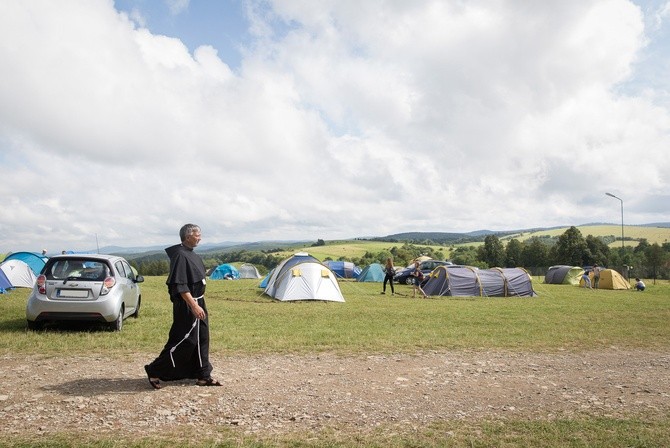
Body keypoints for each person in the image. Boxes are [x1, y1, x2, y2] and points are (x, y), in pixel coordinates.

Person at [144, 224, 221, 389]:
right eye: (197, 234)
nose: (200, 237)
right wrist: (194, 305)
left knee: (202, 339)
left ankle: (203, 375)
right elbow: (180, 285)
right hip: (188, 304)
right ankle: (154, 370)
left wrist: (199, 302)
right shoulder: (180, 255)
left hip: (198, 301)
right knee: (186, 340)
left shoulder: (190, 254)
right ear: (188, 236)